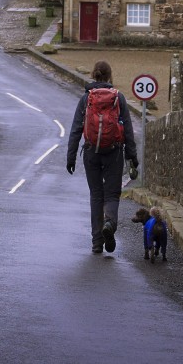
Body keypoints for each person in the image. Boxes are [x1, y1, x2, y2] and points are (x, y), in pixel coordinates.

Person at [66, 60, 139, 254]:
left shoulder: (86, 99)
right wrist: (132, 156)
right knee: (112, 194)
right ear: (109, 76)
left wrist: (71, 156)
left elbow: (76, 129)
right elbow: (128, 130)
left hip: (91, 152)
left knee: (96, 195)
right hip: (114, 152)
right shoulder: (118, 98)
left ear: (93, 75)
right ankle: (110, 224)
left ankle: (97, 241)